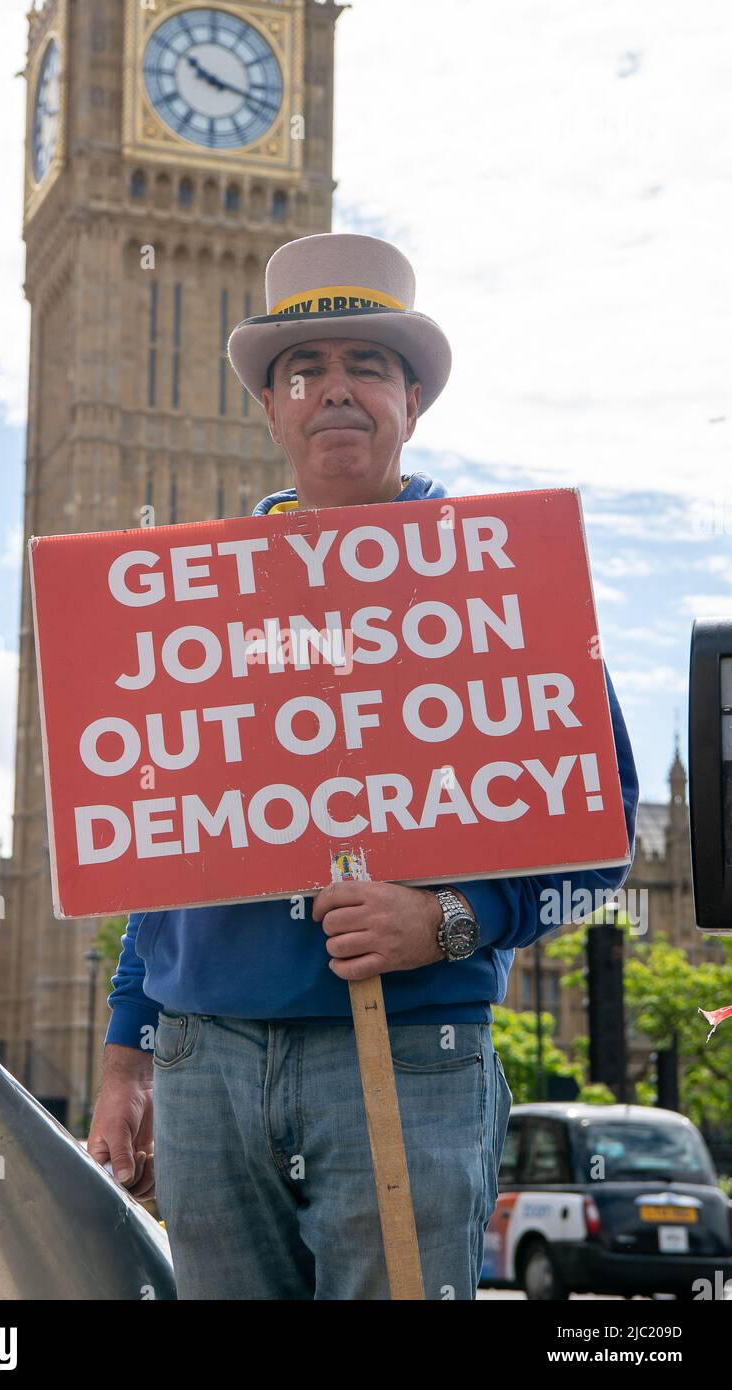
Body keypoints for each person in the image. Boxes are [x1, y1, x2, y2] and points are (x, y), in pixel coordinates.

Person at [89, 232, 640, 1300]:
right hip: (203, 1065)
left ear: (413, 400)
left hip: (407, 1048)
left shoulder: (504, 580)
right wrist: (126, 1054)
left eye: (366, 366)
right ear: (270, 408)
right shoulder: (190, 597)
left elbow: (602, 827)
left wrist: (449, 916)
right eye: (305, 370)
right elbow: (158, 855)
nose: (333, 390)